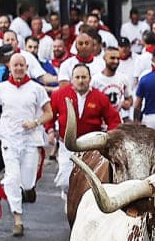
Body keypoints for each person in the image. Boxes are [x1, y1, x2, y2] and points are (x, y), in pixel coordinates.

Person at [0, 53, 52, 238]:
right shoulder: (1, 88)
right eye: (15, 65)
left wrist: (36, 122)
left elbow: (49, 113)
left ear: (26, 67)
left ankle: (29, 189)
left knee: (27, 180)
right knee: (12, 177)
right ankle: (18, 219)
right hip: (9, 138)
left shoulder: (36, 89)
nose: (18, 68)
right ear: (10, 67)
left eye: (21, 65)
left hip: (30, 139)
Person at [50, 64, 120, 200]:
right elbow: (50, 114)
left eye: (84, 77)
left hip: (91, 146)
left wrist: (112, 136)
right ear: (72, 79)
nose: (81, 80)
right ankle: (68, 196)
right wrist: (50, 130)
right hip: (67, 144)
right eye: (77, 77)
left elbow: (113, 119)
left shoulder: (100, 97)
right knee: (65, 180)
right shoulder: (60, 95)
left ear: (90, 79)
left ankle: (82, 204)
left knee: (89, 179)